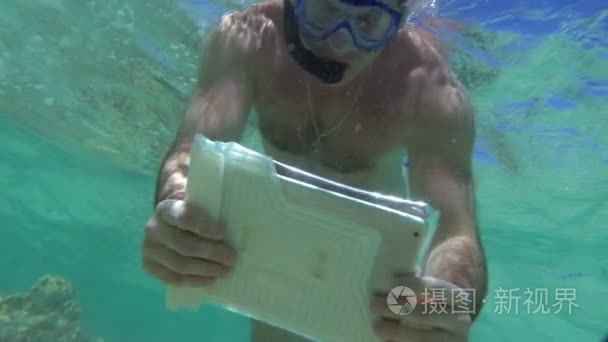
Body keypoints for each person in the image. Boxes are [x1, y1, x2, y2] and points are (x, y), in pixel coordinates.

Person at [142, 0, 488, 340]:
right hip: (272, 258)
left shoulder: (428, 89)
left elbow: (455, 227)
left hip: (371, 286)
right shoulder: (248, 39)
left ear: (400, 20)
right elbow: (191, 150)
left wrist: (449, 296)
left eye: (369, 20)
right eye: (325, 10)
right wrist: (175, 208)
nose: (340, 41)